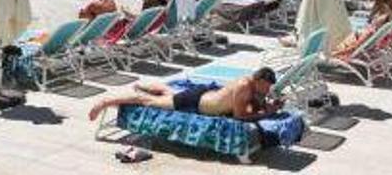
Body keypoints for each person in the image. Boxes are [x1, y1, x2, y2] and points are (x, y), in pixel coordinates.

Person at [88, 67, 281, 122]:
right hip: (198, 102)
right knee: (149, 102)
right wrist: (267, 113)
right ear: (259, 80)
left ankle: (148, 86)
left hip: (206, 95)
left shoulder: (253, 85)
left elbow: (253, 104)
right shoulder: (244, 87)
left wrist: (266, 105)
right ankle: (105, 101)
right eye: (266, 87)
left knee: (170, 93)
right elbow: (240, 116)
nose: (266, 91)